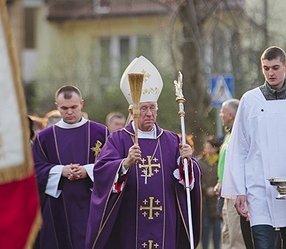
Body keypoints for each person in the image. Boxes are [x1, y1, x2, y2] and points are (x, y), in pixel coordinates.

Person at [85, 56, 202, 249]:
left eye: (152, 108)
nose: (149, 113)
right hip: (129, 217)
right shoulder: (119, 139)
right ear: (133, 111)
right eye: (144, 108)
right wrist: (124, 164)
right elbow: (101, 172)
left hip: (165, 217)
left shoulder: (172, 140)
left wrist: (187, 161)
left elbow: (188, 180)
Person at [221, 46, 286, 249]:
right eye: (266, 68)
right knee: (262, 243)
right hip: (258, 185)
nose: (270, 73)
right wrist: (238, 190)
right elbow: (239, 148)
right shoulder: (250, 100)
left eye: (275, 67)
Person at [32, 85, 109, 249]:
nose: (69, 112)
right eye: (64, 108)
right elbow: (35, 169)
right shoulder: (45, 137)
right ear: (56, 107)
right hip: (57, 207)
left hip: (92, 204)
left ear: (81, 103)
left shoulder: (100, 132)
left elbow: (111, 164)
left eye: (74, 107)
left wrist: (87, 170)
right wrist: (61, 171)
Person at [214, 98, 250, 249]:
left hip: (236, 191)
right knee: (227, 233)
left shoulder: (241, 134)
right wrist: (220, 180)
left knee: (237, 235)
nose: (221, 115)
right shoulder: (229, 135)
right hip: (226, 191)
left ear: (232, 114)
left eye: (223, 112)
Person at [198, 136, 222, 249]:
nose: (208, 150)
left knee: (217, 228)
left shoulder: (220, 162)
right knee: (205, 227)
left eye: (211, 147)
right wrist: (206, 189)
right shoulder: (200, 162)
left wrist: (216, 188)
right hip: (204, 201)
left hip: (217, 200)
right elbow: (198, 179)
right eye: (206, 147)